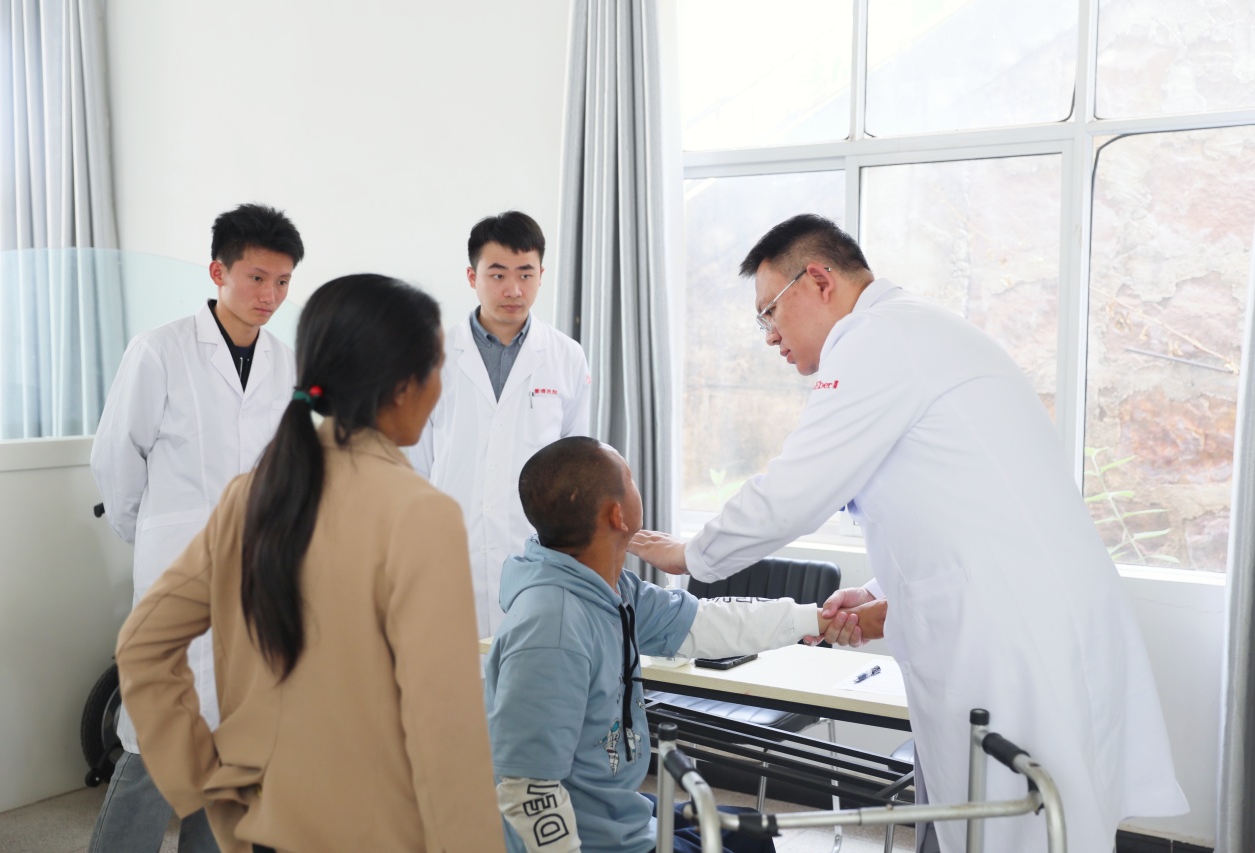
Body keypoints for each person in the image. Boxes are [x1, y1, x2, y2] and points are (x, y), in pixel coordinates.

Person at [629, 214, 1189, 853]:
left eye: (769, 313)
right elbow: (952, 509)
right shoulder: (915, 334)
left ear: (818, 281)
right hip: (1026, 612)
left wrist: (691, 554)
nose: (770, 336)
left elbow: (796, 488)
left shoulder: (874, 341)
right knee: (1002, 819)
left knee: (1015, 826)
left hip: (1012, 636)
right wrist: (879, 592)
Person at [114, 275, 505, 853]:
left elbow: (141, 645)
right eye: (438, 368)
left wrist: (203, 784)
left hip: (262, 820)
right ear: (403, 386)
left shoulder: (250, 495)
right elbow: (444, 731)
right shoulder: (421, 515)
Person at [485, 436, 855, 853]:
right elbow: (527, 788)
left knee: (749, 830)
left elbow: (704, 623)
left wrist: (816, 619)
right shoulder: (550, 630)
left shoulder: (609, 590)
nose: (636, 485)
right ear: (617, 514)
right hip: (596, 841)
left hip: (616, 811)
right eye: (629, 477)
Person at [89, 203, 305, 853]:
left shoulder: (286, 363)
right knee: (154, 747)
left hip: (255, 577)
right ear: (219, 271)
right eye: (257, 277)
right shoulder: (159, 350)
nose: (270, 295)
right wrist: (154, 532)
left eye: (283, 282)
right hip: (177, 568)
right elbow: (116, 457)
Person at [411, 210, 591, 639]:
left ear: (541, 276)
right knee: (453, 673)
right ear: (471, 276)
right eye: (497, 275)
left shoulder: (566, 357)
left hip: (537, 558)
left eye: (525, 274)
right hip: (450, 555)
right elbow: (414, 466)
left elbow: (577, 466)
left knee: (531, 668)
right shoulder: (429, 355)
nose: (513, 289)